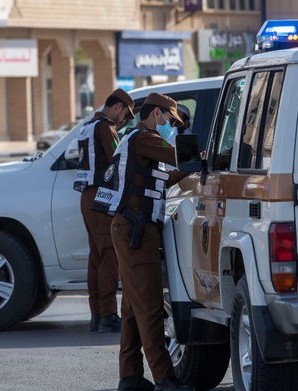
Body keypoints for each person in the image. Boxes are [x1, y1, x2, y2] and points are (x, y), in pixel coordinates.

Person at [92, 93, 194, 391]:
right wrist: (207, 156)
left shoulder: (137, 139)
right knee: (149, 306)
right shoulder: (144, 138)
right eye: (171, 120)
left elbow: (160, 178)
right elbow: (180, 155)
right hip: (136, 229)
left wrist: (187, 169)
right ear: (157, 114)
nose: (172, 127)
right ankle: (165, 378)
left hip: (132, 227)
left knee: (134, 310)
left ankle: (131, 377)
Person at [73, 88, 134, 333]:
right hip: (101, 196)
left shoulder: (88, 125)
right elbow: (118, 161)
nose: (125, 122)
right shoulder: (105, 127)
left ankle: (97, 314)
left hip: (87, 197)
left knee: (96, 256)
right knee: (108, 254)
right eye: (126, 116)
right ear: (118, 107)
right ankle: (107, 314)